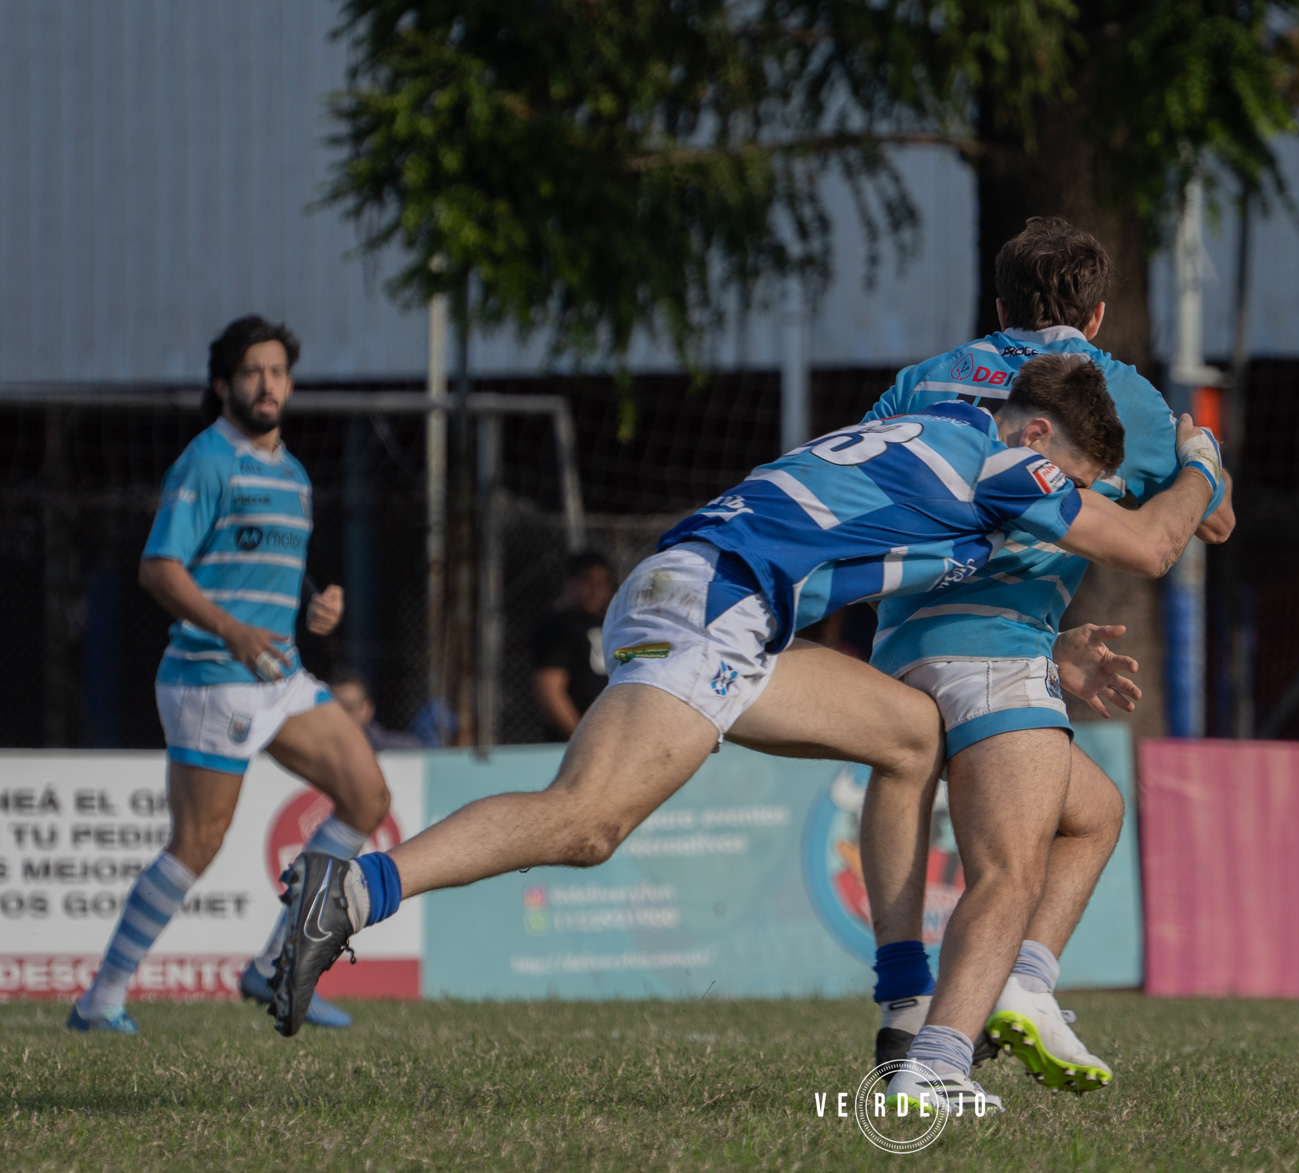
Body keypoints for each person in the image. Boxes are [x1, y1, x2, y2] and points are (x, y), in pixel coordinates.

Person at [272, 356, 1223, 1119]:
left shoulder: (937, 437)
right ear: (1041, 433)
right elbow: (1148, 544)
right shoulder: (1008, 460)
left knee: (909, 734)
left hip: (720, 594)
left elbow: (883, 548)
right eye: (1078, 485)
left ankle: (905, 1016)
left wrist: (1047, 652)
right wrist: (1202, 467)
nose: (1066, 510)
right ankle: (353, 888)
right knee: (587, 823)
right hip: (716, 600)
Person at [855, 218, 1235, 1101]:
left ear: (996, 307)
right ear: (1098, 316)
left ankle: (963, 987)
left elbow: (868, 473)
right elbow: (1203, 525)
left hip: (899, 643)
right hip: (998, 646)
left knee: (1093, 809)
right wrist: (1198, 463)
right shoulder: (1114, 390)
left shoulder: (925, 376)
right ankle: (942, 1054)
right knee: (1008, 868)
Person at [67, 316, 392, 1035]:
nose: (266, 383)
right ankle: (99, 1000)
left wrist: (318, 604)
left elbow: (275, 570)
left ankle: (274, 962)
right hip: (213, 675)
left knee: (366, 796)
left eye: (277, 371)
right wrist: (234, 628)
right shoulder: (207, 461)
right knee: (197, 843)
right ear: (223, 384)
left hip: (280, 674)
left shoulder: (296, 476)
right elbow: (159, 568)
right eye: (251, 371)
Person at [530, 552, 616, 741]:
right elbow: (549, 691)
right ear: (568, 581)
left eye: (602, 583)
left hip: (611, 738)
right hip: (574, 743)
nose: (596, 590)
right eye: (588, 581)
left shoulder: (609, 624)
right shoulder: (556, 626)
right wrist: (581, 739)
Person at [331, 670, 424, 751]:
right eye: (334, 710)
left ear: (367, 709)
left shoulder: (404, 750)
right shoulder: (319, 751)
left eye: (349, 708)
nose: (342, 716)